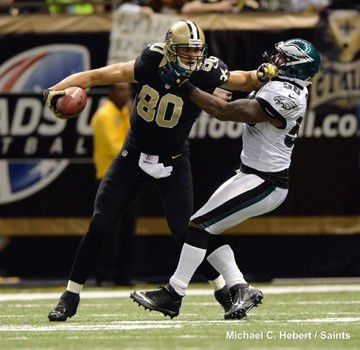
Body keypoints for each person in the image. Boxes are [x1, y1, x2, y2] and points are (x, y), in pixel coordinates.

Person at [44, 19, 276, 322]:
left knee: (188, 232)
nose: (192, 58)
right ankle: (70, 295)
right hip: (133, 155)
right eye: (185, 51)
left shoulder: (207, 70)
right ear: (169, 49)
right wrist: (55, 90)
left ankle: (223, 291)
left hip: (174, 158)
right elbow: (96, 75)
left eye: (196, 52)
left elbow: (242, 79)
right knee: (100, 224)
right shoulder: (150, 61)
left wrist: (266, 75)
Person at [131, 38, 321, 320]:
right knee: (205, 227)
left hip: (266, 181)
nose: (274, 60)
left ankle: (174, 293)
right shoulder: (283, 86)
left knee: (199, 226)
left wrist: (185, 85)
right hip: (251, 174)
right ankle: (239, 287)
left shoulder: (288, 94)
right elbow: (238, 89)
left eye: (282, 58)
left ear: (296, 68)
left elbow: (225, 112)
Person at [91, 83, 136, 285]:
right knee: (109, 229)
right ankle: (103, 275)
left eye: (127, 89)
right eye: (120, 89)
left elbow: (136, 137)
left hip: (129, 178)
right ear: (110, 93)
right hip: (109, 179)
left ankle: (122, 275)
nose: (126, 93)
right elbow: (115, 148)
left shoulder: (127, 112)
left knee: (127, 229)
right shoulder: (104, 115)